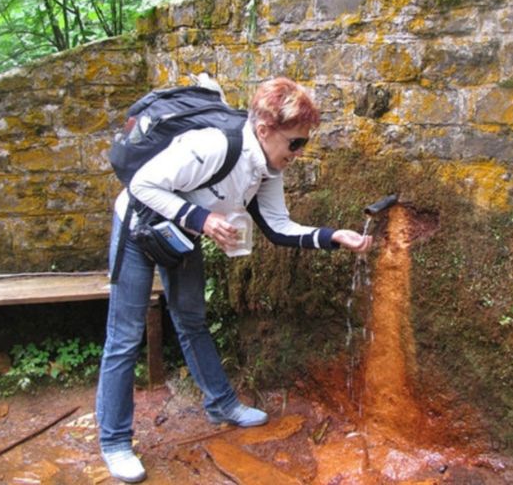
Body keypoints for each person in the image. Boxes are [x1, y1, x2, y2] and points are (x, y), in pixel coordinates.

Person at [96, 76, 373, 482]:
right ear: (264, 130)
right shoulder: (214, 145)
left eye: (304, 143)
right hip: (140, 226)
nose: (298, 153)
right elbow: (142, 184)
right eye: (295, 143)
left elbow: (277, 227)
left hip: (183, 234)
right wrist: (204, 220)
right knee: (125, 335)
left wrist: (334, 237)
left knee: (191, 319)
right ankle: (115, 441)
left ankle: (221, 403)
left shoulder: (268, 168)